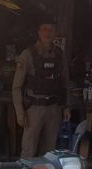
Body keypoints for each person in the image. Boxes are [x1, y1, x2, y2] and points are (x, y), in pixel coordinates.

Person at [12, 20, 71, 158]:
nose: (47, 33)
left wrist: (67, 106)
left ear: (55, 33)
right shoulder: (28, 54)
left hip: (54, 107)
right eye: (44, 29)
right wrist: (20, 112)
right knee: (29, 149)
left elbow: (65, 82)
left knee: (50, 150)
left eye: (51, 30)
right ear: (39, 32)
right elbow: (17, 87)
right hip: (34, 108)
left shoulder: (60, 54)